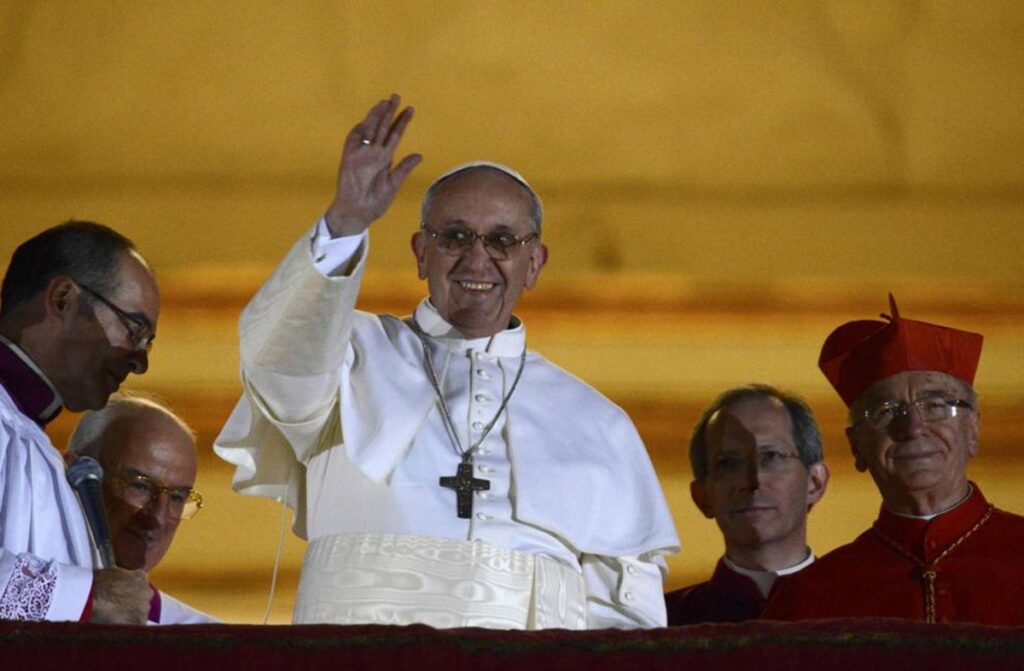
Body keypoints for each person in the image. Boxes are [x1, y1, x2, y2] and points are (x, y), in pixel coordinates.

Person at [214, 95, 679, 629]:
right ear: (420, 252)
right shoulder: (350, 354)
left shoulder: (599, 423)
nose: (477, 259)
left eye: (502, 240)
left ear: (534, 264)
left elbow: (627, 614)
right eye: (455, 237)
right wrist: (345, 222)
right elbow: (279, 365)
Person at [764, 295, 1024, 625]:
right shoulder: (811, 595)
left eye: (936, 406)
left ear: (973, 430)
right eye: (885, 412)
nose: (913, 428)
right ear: (856, 446)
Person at [0, 221, 157, 623]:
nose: (140, 362)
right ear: (64, 298)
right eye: (134, 329)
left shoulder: (39, 448)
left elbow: (142, 610)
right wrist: (89, 596)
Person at [665, 384, 828, 625]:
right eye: (728, 463)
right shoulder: (665, 626)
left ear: (814, 482)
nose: (753, 481)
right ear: (702, 497)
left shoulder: (869, 612)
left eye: (771, 456)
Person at [67, 394, 217, 624]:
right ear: (76, 474)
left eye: (177, 497)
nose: (157, 516)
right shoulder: (23, 592)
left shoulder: (204, 640)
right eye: (140, 485)